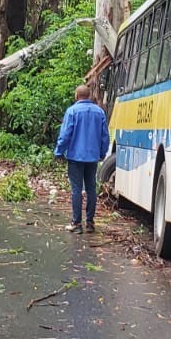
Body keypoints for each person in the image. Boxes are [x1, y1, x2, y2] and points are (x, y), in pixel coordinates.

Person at [52, 84, 109, 234]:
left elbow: (65, 135)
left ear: (76, 96)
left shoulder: (72, 112)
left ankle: (76, 223)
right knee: (91, 189)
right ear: (89, 96)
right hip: (92, 158)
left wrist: (59, 152)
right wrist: (102, 153)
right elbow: (104, 136)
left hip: (75, 158)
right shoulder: (99, 112)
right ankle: (90, 222)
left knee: (76, 189)